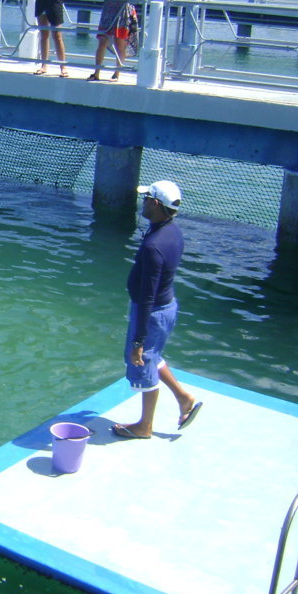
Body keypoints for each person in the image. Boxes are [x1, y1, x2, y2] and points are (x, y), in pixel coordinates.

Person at [112, 181, 202, 439]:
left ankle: (144, 426)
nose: (142, 202)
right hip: (167, 307)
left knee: (141, 363)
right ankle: (184, 398)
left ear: (155, 204)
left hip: (151, 312)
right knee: (152, 357)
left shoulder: (154, 246)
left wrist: (138, 339)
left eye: (146, 198)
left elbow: (147, 296)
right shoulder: (172, 231)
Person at [88, 0, 139, 82]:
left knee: (120, 43)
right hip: (108, 11)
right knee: (102, 41)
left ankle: (117, 72)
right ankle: (97, 72)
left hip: (122, 12)